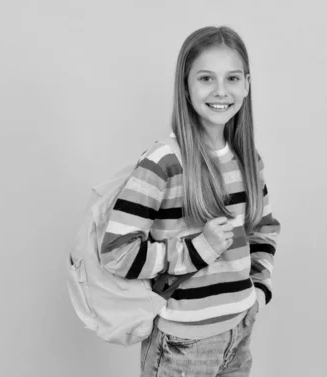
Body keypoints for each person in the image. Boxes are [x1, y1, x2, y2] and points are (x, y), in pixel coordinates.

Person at [99, 25, 281, 377]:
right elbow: (116, 253)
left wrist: (257, 290)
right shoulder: (163, 162)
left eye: (232, 78)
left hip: (239, 334)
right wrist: (198, 250)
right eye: (205, 78)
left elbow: (264, 229)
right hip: (181, 347)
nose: (220, 91)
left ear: (247, 84)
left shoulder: (247, 159)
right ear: (185, 86)